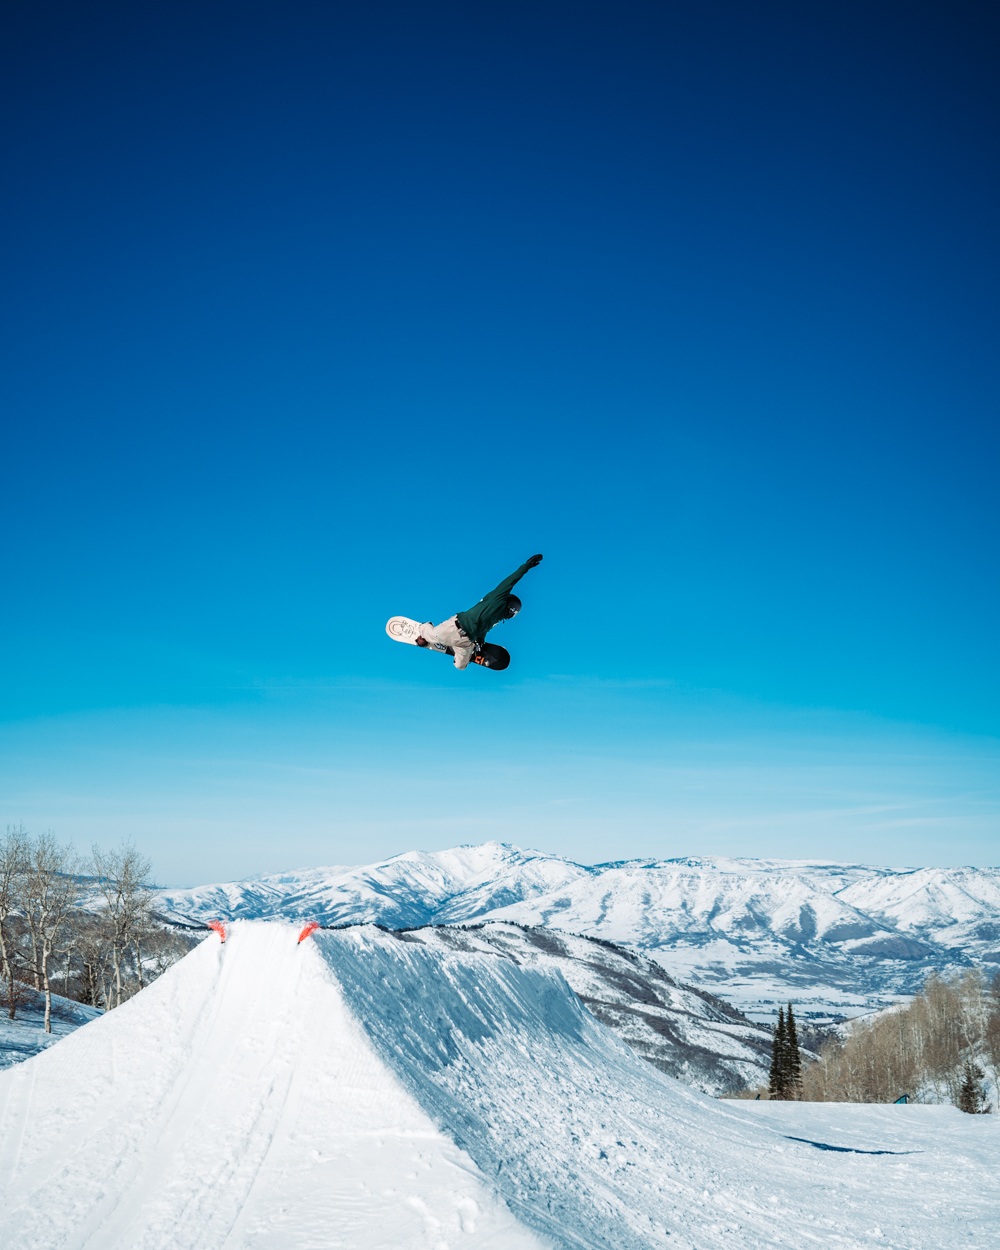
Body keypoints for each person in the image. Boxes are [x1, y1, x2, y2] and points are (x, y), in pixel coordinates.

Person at [416, 554, 543, 669]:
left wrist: (480, 642)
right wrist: (527, 566)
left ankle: (466, 650)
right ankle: (424, 628)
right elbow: (510, 581)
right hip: (454, 628)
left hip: (466, 642)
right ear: (511, 610)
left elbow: (484, 628)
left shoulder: (497, 619)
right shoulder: (497, 599)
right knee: (431, 636)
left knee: (461, 666)